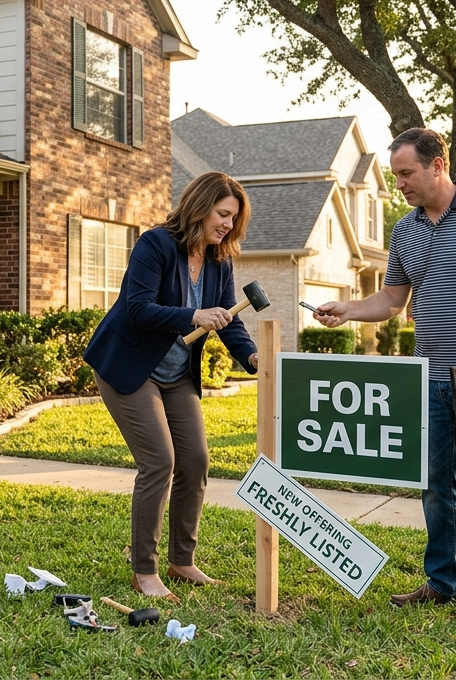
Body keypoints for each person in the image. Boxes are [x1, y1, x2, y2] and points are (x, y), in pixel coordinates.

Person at [313, 128, 456, 633]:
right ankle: (444, 583)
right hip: (431, 379)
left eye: (406, 173)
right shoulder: (406, 231)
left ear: (438, 165)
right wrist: (349, 309)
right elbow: (392, 301)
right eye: (395, 175)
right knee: (436, 488)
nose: (399, 183)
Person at [83, 172, 259, 602]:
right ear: (200, 206)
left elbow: (227, 319)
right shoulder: (155, 245)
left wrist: (252, 357)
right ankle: (144, 570)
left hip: (176, 373)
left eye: (233, 218)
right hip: (129, 368)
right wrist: (192, 315)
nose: (227, 225)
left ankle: (183, 561)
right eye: (222, 214)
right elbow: (138, 308)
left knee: (196, 460)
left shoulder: (220, 260)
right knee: (159, 461)